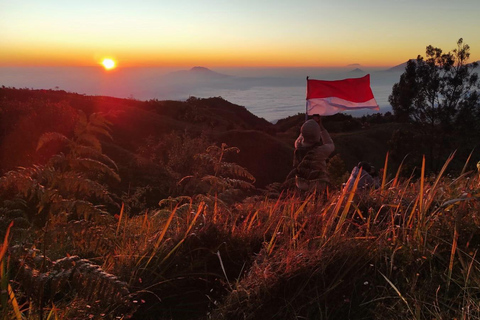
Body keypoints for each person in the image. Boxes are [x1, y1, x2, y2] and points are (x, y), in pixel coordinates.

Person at [285, 116, 335, 192]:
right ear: (317, 135)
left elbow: (301, 137)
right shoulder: (320, 151)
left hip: (300, 185)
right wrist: (321, 127)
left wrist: (306, 125)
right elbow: (330, 144)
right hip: (318, 187)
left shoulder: (298, 147)